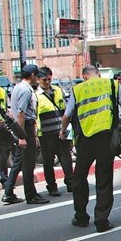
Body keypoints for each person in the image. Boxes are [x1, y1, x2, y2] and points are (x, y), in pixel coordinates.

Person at [60, 65, 121, 233]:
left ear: (84, 76)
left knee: (79, 177)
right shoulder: (112, 84)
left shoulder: (78, 89)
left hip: (85, 138)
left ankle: (81, 217)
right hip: (107, 138)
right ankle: (101, 220)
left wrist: (63, 132)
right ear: (98, 74)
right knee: (104, 178)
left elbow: (67, 115)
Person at [3, 64, 49, 205]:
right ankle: (31, 195)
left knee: (19, 161)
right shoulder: (26, 90)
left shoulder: (17, 87)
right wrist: (22, 136)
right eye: (37, 76)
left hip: (22, 127)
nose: (38, 79)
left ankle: (9, 192)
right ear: (33, 76)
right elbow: (22, 114)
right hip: (25, 127)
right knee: (28, 164)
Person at [36, 66, 73, 196]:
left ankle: (70, 183)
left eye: (49, 79)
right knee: (48, 162)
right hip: (46, 135)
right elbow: (35, 117)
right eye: (44, 80)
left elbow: (66, 110)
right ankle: (52, 187)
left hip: (61, 131)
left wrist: (67, 129)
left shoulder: (58, 90)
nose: (47, 82)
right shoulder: (36, 95)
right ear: (38, 80)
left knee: (66, 158)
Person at [0, 73, 13, 189]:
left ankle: (4, 180)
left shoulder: (1, 92)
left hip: (1, 129)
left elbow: (8, 108)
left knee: (3, 154)